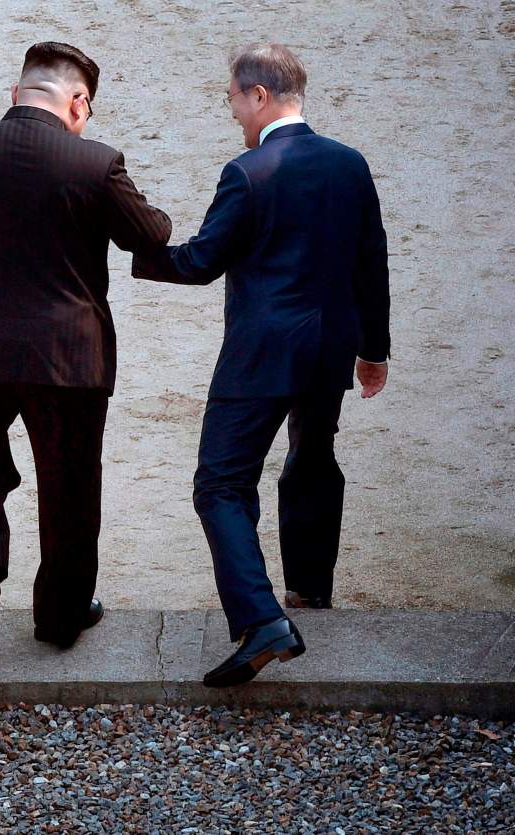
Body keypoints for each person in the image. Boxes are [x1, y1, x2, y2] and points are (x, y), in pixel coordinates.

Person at [132, 43, 391, 687]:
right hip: (329, 346)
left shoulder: (249, 171)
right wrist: (373, 351)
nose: (233, 111)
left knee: (220, 483)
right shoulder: (350, 164)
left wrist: (140, 250)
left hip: (261, 352)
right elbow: (372, 262)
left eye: (233, 99)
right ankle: (308, 590)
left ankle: (262, 618)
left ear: (260, 96)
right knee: (312, 457)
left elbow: (200, 261)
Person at [0, 42, 171, 648]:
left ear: (16, 94)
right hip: (69, 356)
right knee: (70, 486)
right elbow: (148, 234)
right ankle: (60, 617)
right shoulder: (95, 164)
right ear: (78, 103)